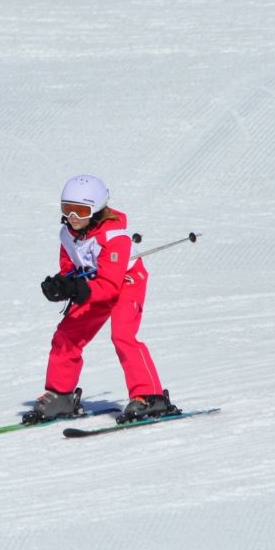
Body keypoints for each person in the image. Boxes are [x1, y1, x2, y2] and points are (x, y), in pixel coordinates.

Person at [24, 175, 180, 425]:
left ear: (96, 210)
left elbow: (109, 286)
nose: (73, 217)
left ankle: (150, 396)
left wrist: (77, 289)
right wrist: (61, 286)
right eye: (67, 209)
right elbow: (70, 268)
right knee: (66, 335)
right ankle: (61, 396)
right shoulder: (67, 234)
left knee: (123, 336)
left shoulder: (114, 237)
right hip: (93, 285)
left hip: (126, 283)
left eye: (80, 211)